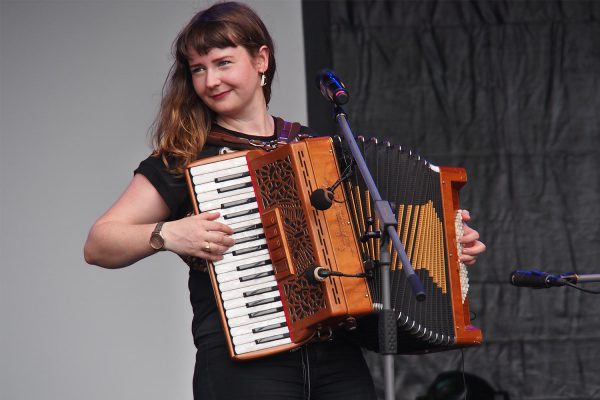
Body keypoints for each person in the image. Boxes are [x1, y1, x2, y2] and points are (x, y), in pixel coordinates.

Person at [84, 2, 486, 399]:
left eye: (223, 62)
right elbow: (100, 243)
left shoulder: (320, 149)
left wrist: (444, 244)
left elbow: (370, 238)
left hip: (338, 359)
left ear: (261, 60)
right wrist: (168, 233)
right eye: (198, 69)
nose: (210, 80)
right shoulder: (186, 157)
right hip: (247, 364)